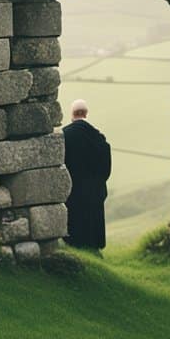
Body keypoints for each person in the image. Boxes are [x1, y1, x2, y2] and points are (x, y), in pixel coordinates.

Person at [62, 99, 112, 250]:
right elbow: (106, 169)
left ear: (72, 115)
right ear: (86, 114)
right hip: (94, 190)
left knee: (75, 228)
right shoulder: (99, 137)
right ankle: (93, 248)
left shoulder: (64, 135)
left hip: (73, 189)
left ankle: (75, 247)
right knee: (92, 224)